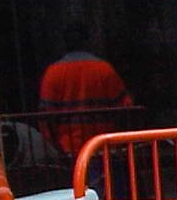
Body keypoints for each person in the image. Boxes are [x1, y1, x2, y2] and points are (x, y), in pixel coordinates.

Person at [38, 23, 132, 159]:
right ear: (88, 41)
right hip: (103, 145)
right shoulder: (104, 69)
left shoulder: (53, 73)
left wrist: (53, 145)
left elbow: (46, 116)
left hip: (68, 148)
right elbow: (125, 107)